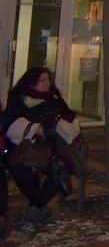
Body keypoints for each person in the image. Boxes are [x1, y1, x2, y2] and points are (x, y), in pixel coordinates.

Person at [3, 67, 82, 227]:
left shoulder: (54, 98)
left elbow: (70, 118)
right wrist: (35, 129)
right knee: (22, 165)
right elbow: (10, 123)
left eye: (48, 79)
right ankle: (37, 207)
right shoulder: (19, 97)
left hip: (51, 144)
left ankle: (35, 207)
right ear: (32, 82)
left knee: (61, 167)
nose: (47, 83)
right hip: (23, 144)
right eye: (42, 80)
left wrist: (62, 127)